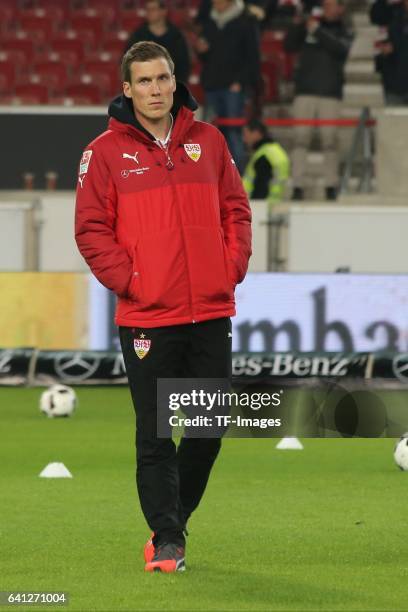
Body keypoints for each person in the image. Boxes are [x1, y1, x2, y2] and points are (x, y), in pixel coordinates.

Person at [75, 41, 251, 573]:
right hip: (148, 318)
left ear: (176, 82)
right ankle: (169, 539)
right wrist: (133, 280)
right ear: (127, 90)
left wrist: (229, 268)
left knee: (207, 430)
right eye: (144, 82)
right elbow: (90, 230)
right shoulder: (103, 153)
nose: (156, 90)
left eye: (163, 79)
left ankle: (172, 518)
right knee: (155, 432)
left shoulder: (211, 141)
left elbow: (236, 211)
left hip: (210, 311)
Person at [284, 0, 353, 201]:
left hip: (330, 93)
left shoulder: (344, 29)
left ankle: (331, 184)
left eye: (331, 5)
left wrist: (318, 31)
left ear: (341, 8)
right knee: (300, 139)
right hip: (305, 91)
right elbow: (289, 45)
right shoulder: (309, 26)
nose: (326, 8)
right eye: (325, 5)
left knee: (330, 141)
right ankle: (297, 184)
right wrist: (299, 25)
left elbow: (341, 49)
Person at [194, 0, 261, 173]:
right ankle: (213, 178)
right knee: (210, 135)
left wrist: (240, 82)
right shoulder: (209, 22)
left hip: (234, 89)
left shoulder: (246, 21)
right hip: (212, 85)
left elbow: (253, 57)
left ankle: (238, 180)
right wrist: (201, 51)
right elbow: (206, 57)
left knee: (234, 134)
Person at [125, 0, 191, 83]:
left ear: (163, 11)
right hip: (145, 87)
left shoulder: (176, 36)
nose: (148, 13)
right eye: (147, 9)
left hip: (169, 88)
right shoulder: (138, 36)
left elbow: (184, 65)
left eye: (152, 9)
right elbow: (128, 62)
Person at [242, 119, 290, 205]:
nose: (244, 139)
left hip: (263, 208)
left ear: (256, 133)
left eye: (246, 134)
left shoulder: (263, 156)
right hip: (275, 205)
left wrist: (254, 207)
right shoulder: (275, 150)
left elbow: (261, 189)